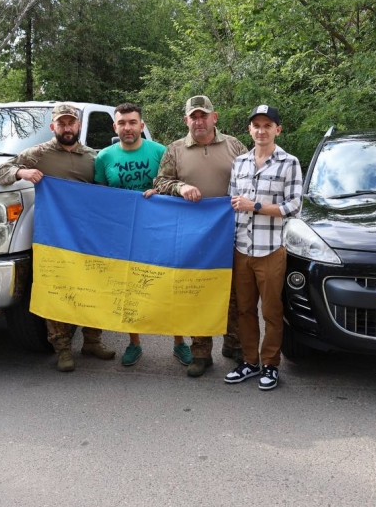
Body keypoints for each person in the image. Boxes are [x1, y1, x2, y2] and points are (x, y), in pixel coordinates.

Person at [0, 103, 116, 372]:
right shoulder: (39, 154)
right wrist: (22, 172)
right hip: (55, 237)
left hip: (88, 236)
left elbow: (106, 191)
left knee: (94, 288)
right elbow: (1, 171)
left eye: (71, 123)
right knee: (58, 291)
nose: (67, 127)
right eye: (61, 123)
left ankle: (92, 341)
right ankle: (62, 348)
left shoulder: (93, 158)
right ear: (53, 127)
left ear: (78, 126)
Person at [153, 95, 248, 377]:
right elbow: (160, 181)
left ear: (214, 117)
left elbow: (252, 177)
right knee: (196, 292)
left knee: (233, 292)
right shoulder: (175, 150)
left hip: (231, 232)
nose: (198, 121)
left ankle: (234, 344)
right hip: (192, 235)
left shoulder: (235, 146)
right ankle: (200, 353)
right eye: (193, 117)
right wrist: (180, 187)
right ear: (186, 120)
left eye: (203, 115)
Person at [94, 103, 193, 367]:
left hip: (160, 231)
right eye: (122, 123)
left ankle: (179, 342)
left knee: (168, 286)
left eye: (132, 122)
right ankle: (134, 343)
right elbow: (99, 198)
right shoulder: (104, 157)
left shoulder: (160, 151)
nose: (128, 127)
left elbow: (172, 185)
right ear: (115, 127)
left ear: (141, 125)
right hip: (124, 235)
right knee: (129, 289)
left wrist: (161, 193)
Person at [224, 104, 302, 391]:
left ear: (277, 130)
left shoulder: (289, 162)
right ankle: (249, 361)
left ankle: (270, 365)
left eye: (267, 125)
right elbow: (230, 203)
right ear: (249, 130)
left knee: (271, 311)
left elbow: (294, 206)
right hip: (241, 249)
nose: (261, 130)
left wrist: (255, 206)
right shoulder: (239, 163)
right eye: (256, 125)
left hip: (270, 250)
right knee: (244, 310)